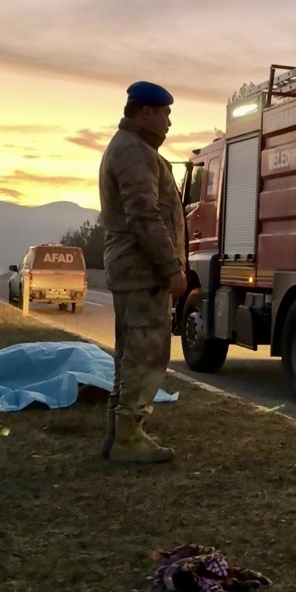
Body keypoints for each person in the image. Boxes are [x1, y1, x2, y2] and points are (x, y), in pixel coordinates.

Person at [97, 80, 188, 463]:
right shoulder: (134, 152)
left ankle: (118, 435)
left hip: (134, 271)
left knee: (130, 355)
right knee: (145, 356)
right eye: (165, 113)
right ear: (146, 112)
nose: (169, 121)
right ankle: (128, 438)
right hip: (143, 272)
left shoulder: (132, 148)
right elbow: (144, 215)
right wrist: (171, 268)